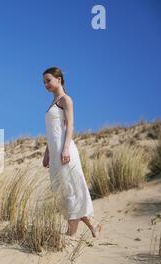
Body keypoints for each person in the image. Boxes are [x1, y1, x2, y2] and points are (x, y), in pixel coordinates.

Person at [42, 67, 100, 238]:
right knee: (64, 189)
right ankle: (93, 225)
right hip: (54, 152)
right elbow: (52, 131)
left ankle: (71, 232)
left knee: (70, 189)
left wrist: (65, 148)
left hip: (64, 151)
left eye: (48, 80)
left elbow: (70, 126)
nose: (45, 84)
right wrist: (47, 153)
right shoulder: (52, 103)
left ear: (59, 79)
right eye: (44, 82)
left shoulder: (66, 100)